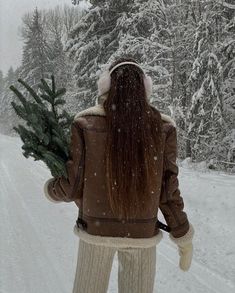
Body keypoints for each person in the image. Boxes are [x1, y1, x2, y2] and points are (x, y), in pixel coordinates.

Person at [44, 57, 195, 293]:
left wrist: (51, 189)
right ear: (145, 87)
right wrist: (182, 233)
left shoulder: (85, 123)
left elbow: (73, 185)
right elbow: (168, 191)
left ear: (106, 85)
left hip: (96, 231)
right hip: (141, 235)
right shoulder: (163, 128)